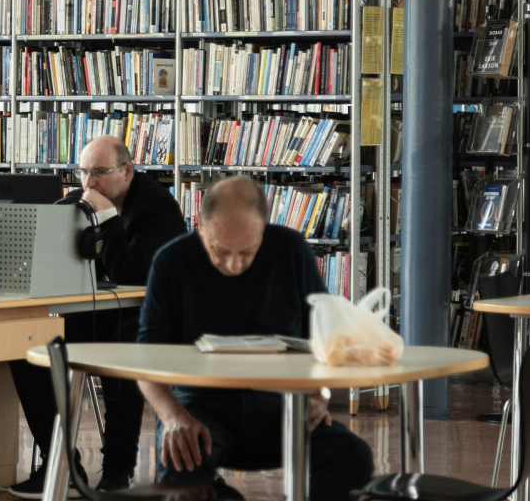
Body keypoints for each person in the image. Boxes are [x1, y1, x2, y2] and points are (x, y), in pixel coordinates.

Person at [138, 176, 373, 501]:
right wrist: (173, 417)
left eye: (247, 251)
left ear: (263, 229)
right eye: (219, 250)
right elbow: (147, 358)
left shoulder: (291, 250)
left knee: (352, 457)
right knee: (180, 470)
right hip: (201, 406)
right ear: (201, 229)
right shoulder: (171, 261)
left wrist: (318, 396)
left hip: (283, 404)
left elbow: (324, 336)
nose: (234, 265)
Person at [7, 135, 188, 498]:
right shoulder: (81, 198)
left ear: (127, 171)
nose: (89, 183)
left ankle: (117, 470)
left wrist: (105, 217)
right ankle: (63, 462)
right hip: (99, 312)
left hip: (152, 320)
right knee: (23, 347)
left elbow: (133, 275)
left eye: (99, 173)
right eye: (83, 172)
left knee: (125, 348)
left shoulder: (157, 207)